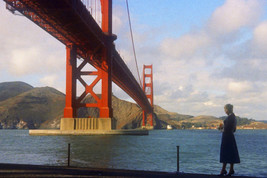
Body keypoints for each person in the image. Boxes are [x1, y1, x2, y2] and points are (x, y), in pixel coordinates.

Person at [219, 104, 240, 176]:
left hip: (227, 137)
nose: (225, 111)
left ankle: (224, 170)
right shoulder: (233, 117)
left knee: (225, 153)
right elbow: (234, 129)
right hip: (230, 136)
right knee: (231, 153)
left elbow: (226, 129)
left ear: (227, 109)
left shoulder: (230, 117)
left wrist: (221, 128)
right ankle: (230, 169)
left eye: (225, 110)